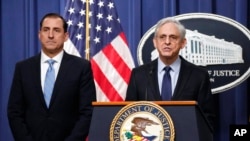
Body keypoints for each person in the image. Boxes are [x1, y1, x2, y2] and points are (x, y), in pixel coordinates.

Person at [7, 13, 96, 141]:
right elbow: (14, 112)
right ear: (39, 35)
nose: (50, 35)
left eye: (57, 30)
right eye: (46, 29)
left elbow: (88, 112)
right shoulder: (23, 68)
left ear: (66, 36)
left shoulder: (81, 67)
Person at [125, 17, 215, 132]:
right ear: (155, 42)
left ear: (183, 43)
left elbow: (207, 120)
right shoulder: (138, 75)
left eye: (173, 37)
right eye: (162, 37)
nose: (167, 42)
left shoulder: (199, 76)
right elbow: (129, 115)